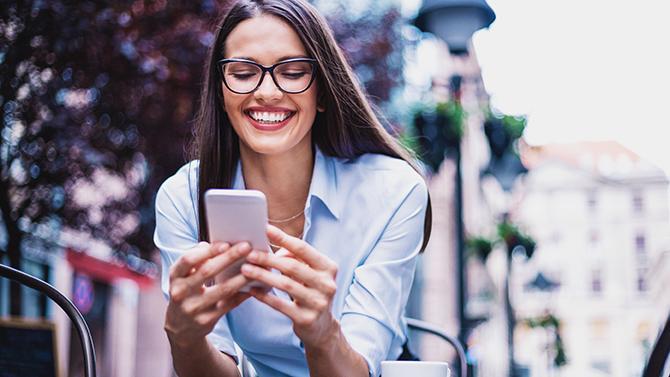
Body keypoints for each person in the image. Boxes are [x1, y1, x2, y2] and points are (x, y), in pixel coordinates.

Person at [154, 0, 432, 376]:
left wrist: (322, 335)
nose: (267, 92)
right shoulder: (184, 197)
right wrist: (184, 338)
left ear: (321, 91)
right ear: (221, 92)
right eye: (242, 72)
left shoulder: (395, 192)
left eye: (293, 71)